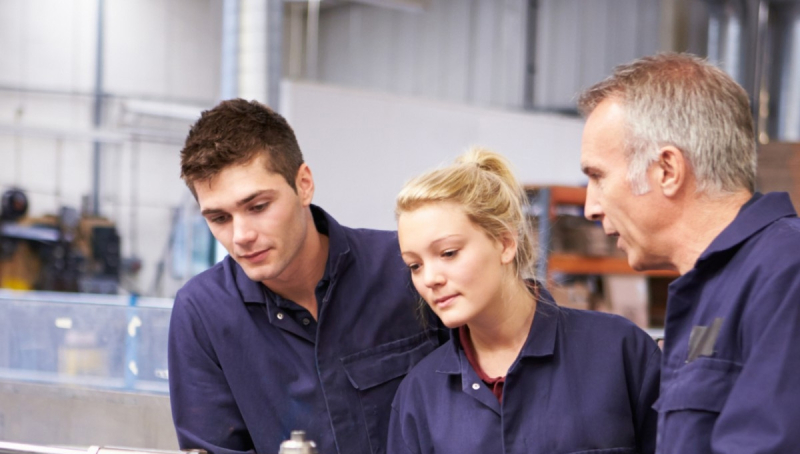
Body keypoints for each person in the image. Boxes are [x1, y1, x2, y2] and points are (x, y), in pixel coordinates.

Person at [168, 98, 442, 454]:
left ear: (304, 184)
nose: (241, 236)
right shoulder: (202, 313)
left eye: (258, 207)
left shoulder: (406, 268)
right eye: (219, 218)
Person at [578, 52, 800, 452]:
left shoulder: (786, 273)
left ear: (667, 170)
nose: (590, 207)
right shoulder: (715, 288)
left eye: (598, 177)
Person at [387, 148, 660, 454]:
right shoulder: (420, 395)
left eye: (448, 253)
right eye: (415, 265)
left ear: (505, 243)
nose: (429, 279)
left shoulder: (619, 352)